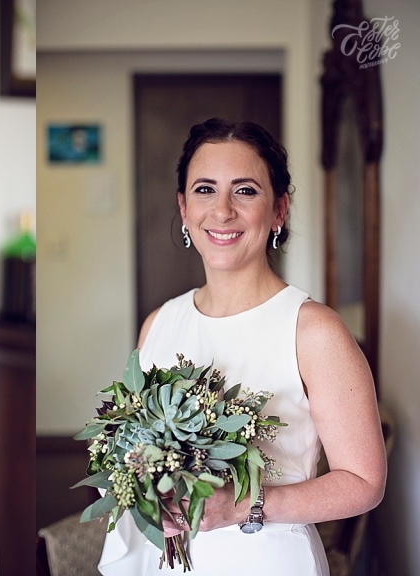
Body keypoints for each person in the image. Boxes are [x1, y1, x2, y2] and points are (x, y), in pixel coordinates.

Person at [98, 118, 386, 576]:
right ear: (183, 206)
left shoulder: (314, 331)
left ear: (279, 211)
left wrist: (239, 507)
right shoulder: (160, 322)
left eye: (246, 191)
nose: (223, 210)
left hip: (266, 558)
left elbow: (364, 484)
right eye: (205, 190)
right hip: (164, 560)